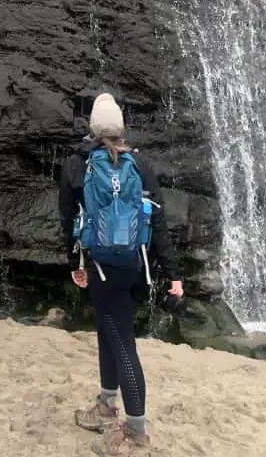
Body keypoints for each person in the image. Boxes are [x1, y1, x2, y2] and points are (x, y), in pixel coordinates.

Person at [59, 93, 183, 455]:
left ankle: (136, 432)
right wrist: (172, 273)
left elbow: (67, 221)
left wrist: (73, 264)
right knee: (109, 331)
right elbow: (157, 220)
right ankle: (106, 403)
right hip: (134, 265)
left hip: (100, 267)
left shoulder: (76, 165)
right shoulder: (139, 164)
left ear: (92, 128)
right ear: (122, 127)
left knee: (122, 343)